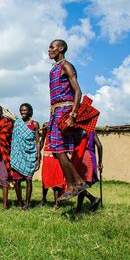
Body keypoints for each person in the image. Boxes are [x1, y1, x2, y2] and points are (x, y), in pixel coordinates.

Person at [47, 39, 88, 200]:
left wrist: (73, 115)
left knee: (59, 149)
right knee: (57, 151)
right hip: (55, 112)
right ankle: (77, 182)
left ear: (61, 48)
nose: (49, 50)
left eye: (52, 47)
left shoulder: (66, 66)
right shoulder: (53, 70)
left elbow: (78, 91)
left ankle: (72, 185)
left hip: (65, 110)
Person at [10, 103, 40, 210]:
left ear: (30, 111)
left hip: (30, 155)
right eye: (21, 110)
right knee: (17, 181)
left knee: (28, 180)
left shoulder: (35, 124)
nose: (23, 112)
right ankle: (20, 204)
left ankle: (27, 204)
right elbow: (13, 141)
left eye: (25, 110)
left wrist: (38, 159)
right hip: (18, 155)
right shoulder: (17, 123)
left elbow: (37, 142)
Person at [74, 131, 103, 213]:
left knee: (79, 184)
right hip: (90, 157)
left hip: (81, 157)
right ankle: (78, 209)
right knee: (82, 185)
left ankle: (93, 199)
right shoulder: (92, 132)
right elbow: (99, 146)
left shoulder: (77, 131)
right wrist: (100, 161)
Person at [39, 122, 65, 209]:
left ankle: (56, 203)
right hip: (47, 154)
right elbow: (42, 140)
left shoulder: (60, 125)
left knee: (57, 177)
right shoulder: (45, 125)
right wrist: (38, 152)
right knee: (45, 177)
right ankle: (43, 199)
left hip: (58, 155)